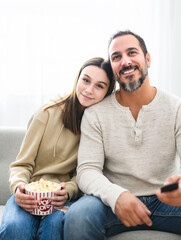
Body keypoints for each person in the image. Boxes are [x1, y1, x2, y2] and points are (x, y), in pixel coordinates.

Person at [64, 30, 181, 240]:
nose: (125, 61)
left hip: (167, 202)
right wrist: (117, 196)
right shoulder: (96, 114)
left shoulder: (178, 109)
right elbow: (87, 171)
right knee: (78, 217)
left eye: (132, 52)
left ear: (147, 58)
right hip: (113, 203)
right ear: (112, 68)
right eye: (116, 57)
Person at [0, 57, 115, 240]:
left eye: (99, 86)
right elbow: (21, 165)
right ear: (77, 79)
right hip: (30, 192)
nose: (88, 90)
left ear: (108, 92)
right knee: (15, 229)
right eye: (85, 80)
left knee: (55, 227)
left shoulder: (102, 127)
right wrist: (19, 187)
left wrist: (69, 189)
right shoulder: (46, 113)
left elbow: (92, 172)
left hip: (65, 198)